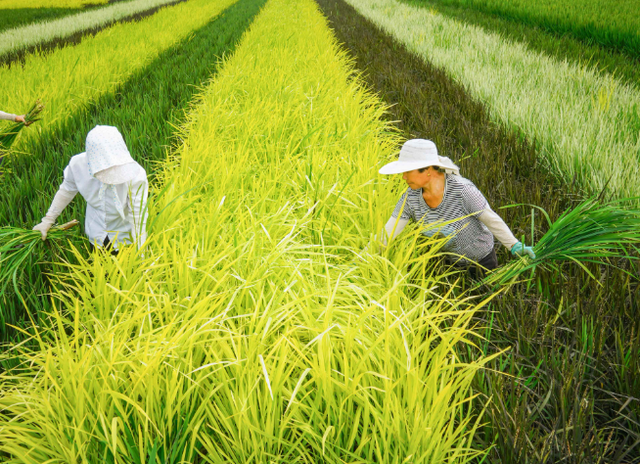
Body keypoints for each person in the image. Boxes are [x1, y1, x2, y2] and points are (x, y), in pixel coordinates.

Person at [378, 139, 534, 275]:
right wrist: (362, 259)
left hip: (481, 262)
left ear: (427, 170)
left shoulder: (462, 191)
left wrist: (514, 245)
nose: (403, 177)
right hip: (450, 262)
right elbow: (387, 233)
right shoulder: (410, 198)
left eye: (407, 171)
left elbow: (491, 219)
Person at [33, 125, 148, 254]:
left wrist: (141, 253)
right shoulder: (77, 165)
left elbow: (138, 215)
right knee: (99, 268)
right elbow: (66, 191)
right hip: (95, 233)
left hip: (124, 237)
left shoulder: (135, 174)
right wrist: (48, 220)